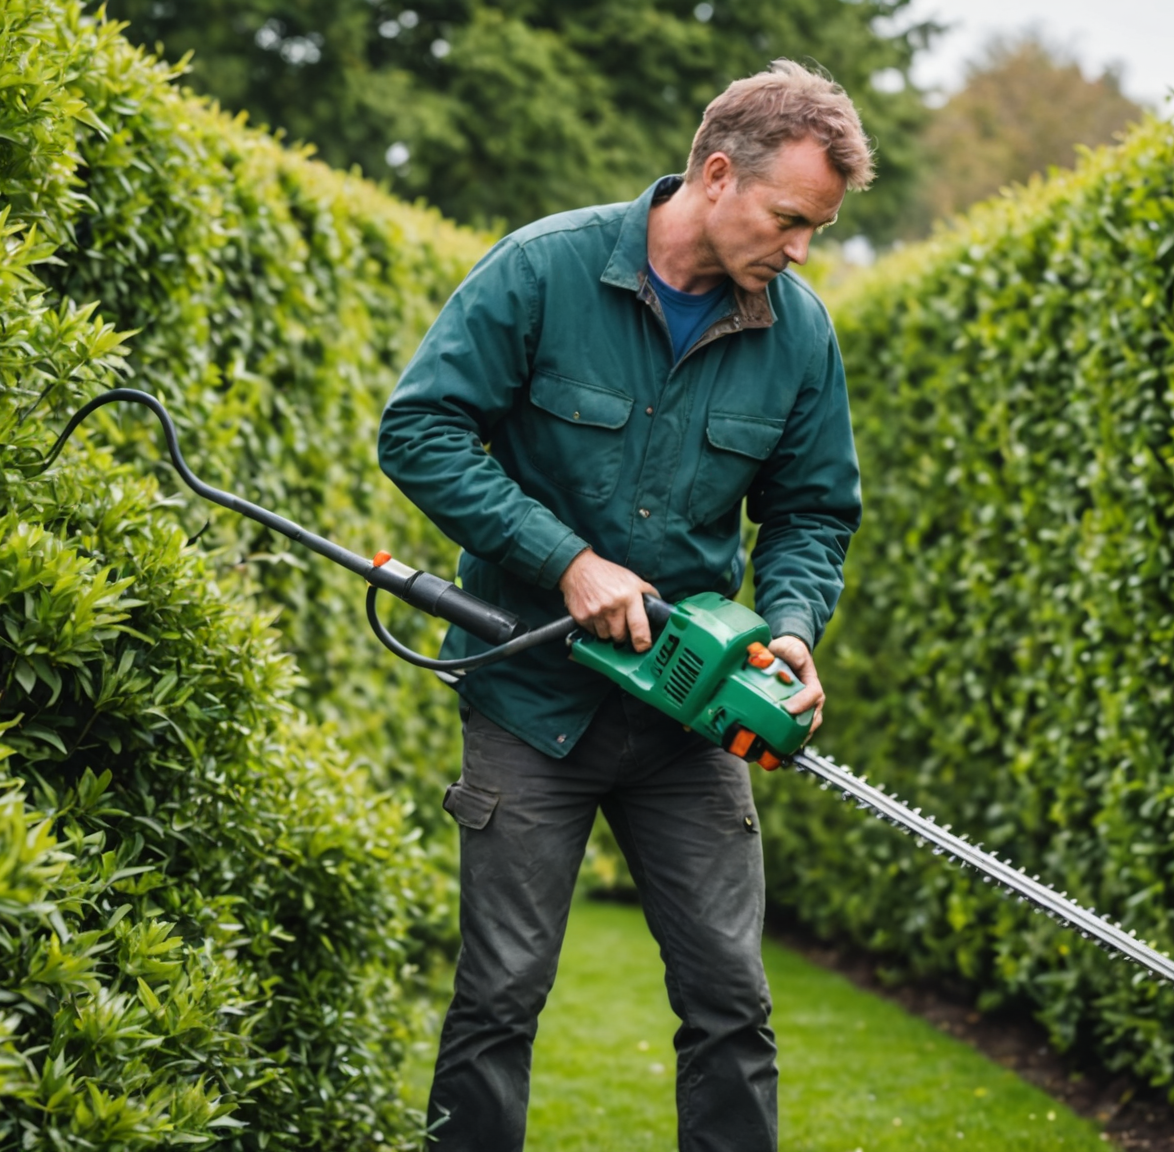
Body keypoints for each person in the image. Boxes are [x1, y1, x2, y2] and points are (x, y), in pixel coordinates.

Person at [378, 59, 871, 1152]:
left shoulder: (800, 334)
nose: (799, 251)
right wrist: (567, 561)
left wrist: (788, 626)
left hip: (688, 717)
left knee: (730, 1005)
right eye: (789, 220)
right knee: (499, 997)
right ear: (714, 173)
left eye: (815, 231)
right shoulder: (544, 271)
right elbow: (418, 432)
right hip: (529, 700)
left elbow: (812, 512)